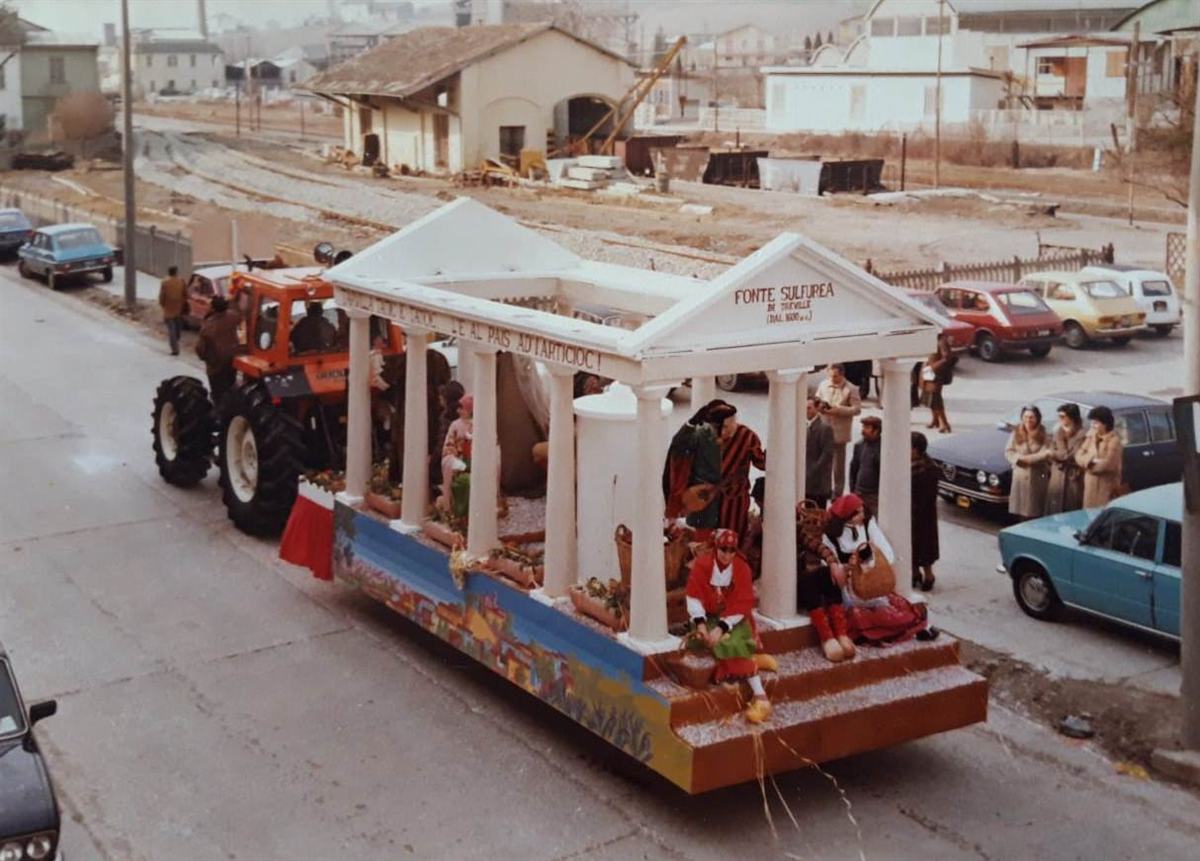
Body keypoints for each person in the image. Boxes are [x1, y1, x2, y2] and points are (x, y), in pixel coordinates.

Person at [684, 529, 776, 724]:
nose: (727, 554)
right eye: (723, 549)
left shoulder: (742, 569)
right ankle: (752, 661)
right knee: (705, 643)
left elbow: (741, 603)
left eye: (731, 550)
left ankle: (761, 696)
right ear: (716, 548)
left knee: (731, 643)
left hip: (733, 618)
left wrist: (721, 628)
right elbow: (694, 597)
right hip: (707, 617)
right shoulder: (702, 565)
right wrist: (701, 627)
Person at [794, 501, 854, 663]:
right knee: (809, 579)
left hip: (804, 583)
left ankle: (841, 634)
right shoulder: (761, 532)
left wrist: (833, 563)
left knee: (827, 574)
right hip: (788, 592)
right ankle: (826, 637)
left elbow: (817, 546)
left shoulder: (797, 532)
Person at [663, 399, 727, 536]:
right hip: (699, 504)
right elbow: (677, 460)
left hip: (718, 504)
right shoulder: (698, 435)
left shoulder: (730, 438)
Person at [713, 401, 766, 540]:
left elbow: (762, 463)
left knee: (733, 538)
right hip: (712, 499)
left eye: (724, 427)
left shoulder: (748, 437)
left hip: (734, 500)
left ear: (732, 423)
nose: (721, 431)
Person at [815, 364, 862, 497]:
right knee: (823, 462)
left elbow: (857, 409)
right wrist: (820, 407)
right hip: (824, 428)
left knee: (838, 466)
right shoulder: (824, 385)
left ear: (842, 374)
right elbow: (817, 399)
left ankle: (838, 493)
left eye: (835, 376)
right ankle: (824, 489)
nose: (832, 379)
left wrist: (839, 410)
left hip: (839, 431)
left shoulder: (851, 388)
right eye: (830, 376)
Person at [194, 296, 242, 406]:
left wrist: (208, 358)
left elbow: (200, 350)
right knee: (230, 386)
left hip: (216, 365)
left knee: (218, 393)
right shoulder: (234, 316)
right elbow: (242, 330)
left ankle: (220, 412)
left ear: (213, 309)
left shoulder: (208, 328)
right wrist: (241, 347)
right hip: (232, 359)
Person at [1005, 405, 1050, 519]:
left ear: (1037, 418)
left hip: (1037, 476)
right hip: (1020, 474)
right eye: (1025, 417)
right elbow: (1008, 450)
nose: (1028, 420)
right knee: (1021, 507)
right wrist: (1017, 458)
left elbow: (1046, 453)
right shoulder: (1016, 432)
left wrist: (1029, 459)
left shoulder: (1044, 434)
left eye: (1031, 417)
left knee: (1034, 508)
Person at [1076, 405, 1124, 508]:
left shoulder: (1114, 441)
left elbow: (1108, 464)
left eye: (1096, 423)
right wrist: (1090, 461)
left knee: (1103, 516)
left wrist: (1087, 466)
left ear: (1105, 424)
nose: (1092, 426)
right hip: (1090, 487)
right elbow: (1078, 455)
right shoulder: (1091, 437)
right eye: (1092, 422)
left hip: (1106, 488)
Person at [1045, 403, 1087, 515]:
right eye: (1059, 416)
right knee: (1054, 509)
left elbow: (1071, 456)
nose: (1059, 419)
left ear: (1072, 418)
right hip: (1057, 476)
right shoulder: (1058, 432)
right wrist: (1057, 454)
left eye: (1062, 416)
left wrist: (1055, 454)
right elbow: (1051, 450)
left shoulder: (1082, 435)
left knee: (1070, 510)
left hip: (1072, 478)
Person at [910, 432, 940, 591]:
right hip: (911, 514)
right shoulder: (909, 465)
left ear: (916, 449)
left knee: (924, 549)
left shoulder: (929, 468)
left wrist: (915, 509)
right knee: (911, 547)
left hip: (923, 516)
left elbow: (928, 497)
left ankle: (929, 576)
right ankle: (914, 574)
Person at [921, 333, 956, 434]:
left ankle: (945, 424)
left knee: (936, 400)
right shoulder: (931, 338)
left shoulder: (942, 340)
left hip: (935, 375)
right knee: (930, 400)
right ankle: (935, 420)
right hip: (928, 374)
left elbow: (946, 357)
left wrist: (933, 367)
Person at [849, 416, 882, 517]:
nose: (863, 430)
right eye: (863, 427)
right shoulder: (859, 445)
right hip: (859, 492)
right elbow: (854, 468)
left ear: (876, 430)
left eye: (867, 428)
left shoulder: (882, 448)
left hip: (874, 495)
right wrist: (853, 490)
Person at [805, 396, 834, 508]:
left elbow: (827, 453)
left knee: (817, 514)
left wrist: (813, 470)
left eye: (809, 408)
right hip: (805, 481)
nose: (806, 411)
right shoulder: (802, 425)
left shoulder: (824, 428)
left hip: (817, 483)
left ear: (817, 409)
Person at [158, 265, 187, 356]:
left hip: (168, 309)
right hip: (179, 308)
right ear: (176, 272)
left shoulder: (165, 283)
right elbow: (185, 294)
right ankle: (176, 342)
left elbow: (162, 296)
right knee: (177, 328)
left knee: (172, 329)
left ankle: (175, 348)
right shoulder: (181, 281)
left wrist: (163, 304)